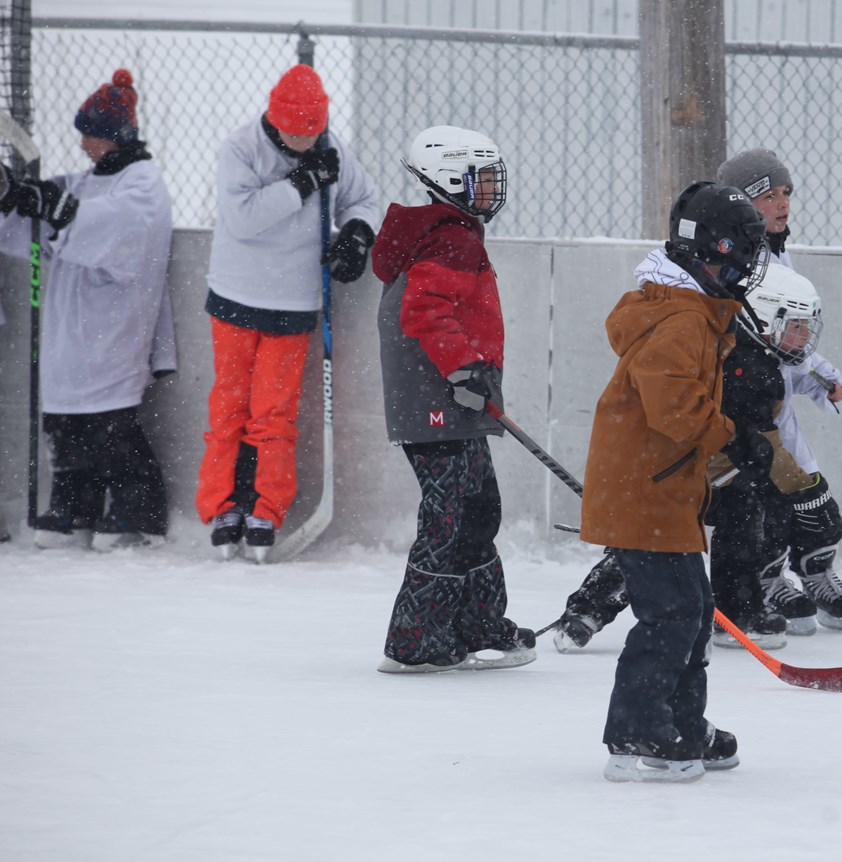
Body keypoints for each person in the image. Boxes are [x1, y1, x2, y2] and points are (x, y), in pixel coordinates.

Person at [582, 181, 770, 783]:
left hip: (666, 492)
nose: (748, 266)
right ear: (712, 252)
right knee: (670, 616)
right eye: (743, 251)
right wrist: (730, 435)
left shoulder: (695, 314)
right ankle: (637, 735)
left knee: (692, 609)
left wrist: (725, 454)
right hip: (646, 493)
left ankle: (683, 725)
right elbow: (673, 408)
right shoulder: (682, 321)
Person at [546, 266, 824, 653]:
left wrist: (800, 484)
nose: (805, 336)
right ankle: (587, 611)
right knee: (651, 544)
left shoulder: (767, 365)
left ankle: (738, 611)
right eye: (796, 325)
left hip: (729, 469)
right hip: (681, 468)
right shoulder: (722, 349)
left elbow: (765, 437)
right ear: (765, 316)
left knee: (743, 524)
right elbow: (682, 409)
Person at [370, 125, 537, 675]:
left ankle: (477, 625)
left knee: (476, 508)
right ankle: (415, 639)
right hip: (440, 400)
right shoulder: (451, 240)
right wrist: (464, 369)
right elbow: (426, 311)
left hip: (452, 399)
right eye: (481, 178)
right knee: (454, 515)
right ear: (448, 179)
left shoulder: (448, 232)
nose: (492, 188)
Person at [195, 63, 378, 560]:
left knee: (274, 414)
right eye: (294, 131)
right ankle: (221, 504)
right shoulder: (241, 147)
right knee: (229, 407)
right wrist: (301, 184)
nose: (303, 139)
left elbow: (362, 197)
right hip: (236, 295)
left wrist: (358, 234)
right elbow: (244, 217)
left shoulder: (330, 148)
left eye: (311, 131)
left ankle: (267, 507)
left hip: (295, 302)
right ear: (275, 120)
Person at [0, 69, 176, 551]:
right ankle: (74, 506)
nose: (82, 146)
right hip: (68, 333)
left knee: (111, 431)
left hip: (113, 328)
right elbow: (44, 214)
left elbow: (123, 229)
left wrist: (62, 210)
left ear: (112, 136)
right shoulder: (88, 179)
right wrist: (16, 196)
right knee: (66, 427)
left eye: (90, 136)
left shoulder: (143, 184)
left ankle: (137, 514)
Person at [716, 147, 842, 634]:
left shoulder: (778, 253)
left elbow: (790, 341)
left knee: (812, 501)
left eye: (786, 193)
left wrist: (821, 377)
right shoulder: (730, 261)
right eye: (769, 195)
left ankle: (815, 572)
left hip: (776, 407)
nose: (783, 203)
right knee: (766, 506)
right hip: (743, 414)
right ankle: (768, 579)